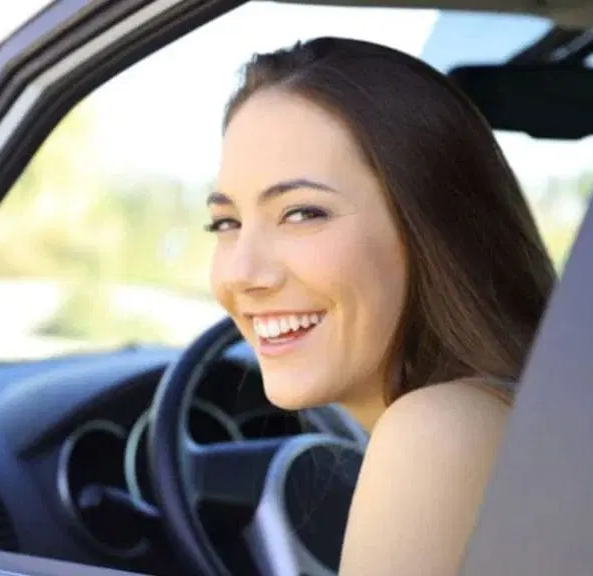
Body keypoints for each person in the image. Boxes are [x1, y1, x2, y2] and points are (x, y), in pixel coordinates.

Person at [206, 37, 555, 576]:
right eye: (226, 223)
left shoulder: (438, 432)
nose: (241, 274)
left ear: (429, 229)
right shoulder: (523, 410)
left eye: (302, 213)